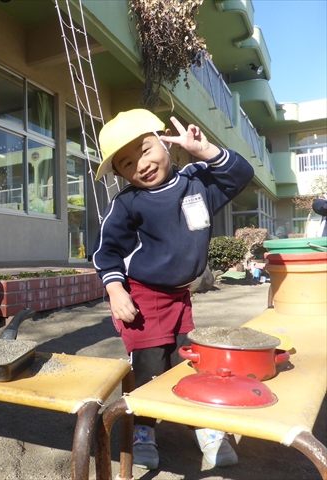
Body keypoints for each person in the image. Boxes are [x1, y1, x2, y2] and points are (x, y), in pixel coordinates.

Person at [92, 109, 254, 470]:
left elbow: (241, 174)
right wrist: (116, 291)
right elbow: (106, 252)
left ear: (163, 141)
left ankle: (203, 424)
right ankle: (143, 428)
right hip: (143, 294)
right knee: (150, 364)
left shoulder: (196, 181)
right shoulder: (127, 203)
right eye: (127, 163)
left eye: (146, 150)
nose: (142, 165)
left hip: (180, 295)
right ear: (120, 174)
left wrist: (205, 151)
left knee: (189, 359)